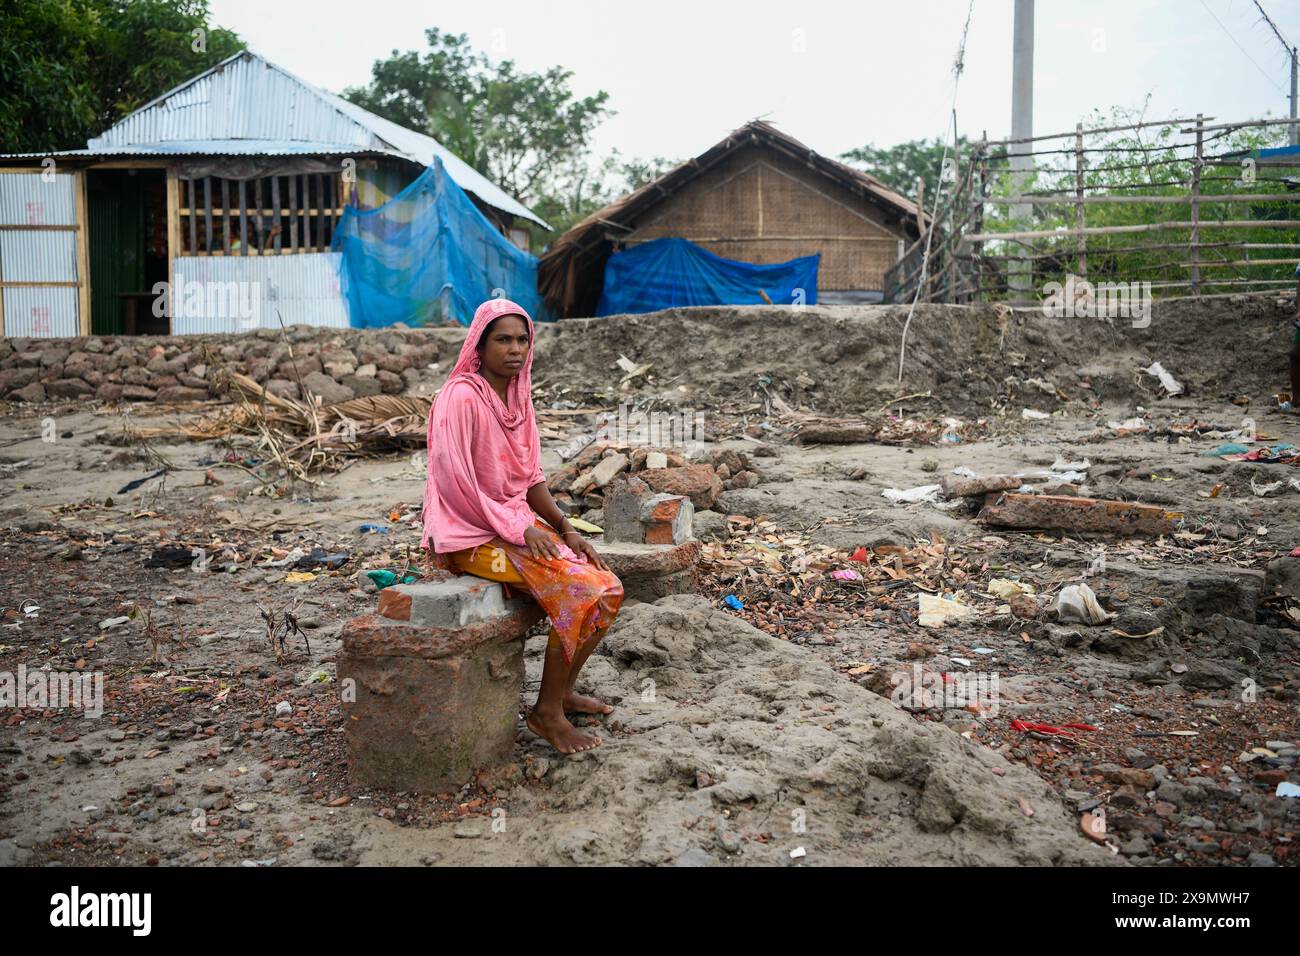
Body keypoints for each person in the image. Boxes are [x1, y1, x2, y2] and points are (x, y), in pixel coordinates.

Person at [421, 297, 624, 755]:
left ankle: (563, 691)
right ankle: (545, 715)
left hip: (514, 525)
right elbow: (456, 484)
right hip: (468, 535)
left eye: (521, 340)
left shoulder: (517, 398)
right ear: (480, 344)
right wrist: (517, 530)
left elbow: (528, 478)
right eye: (503, 340)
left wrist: (564, 527)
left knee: (608, 589)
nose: (514, 349)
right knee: (578, 590)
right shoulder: (459, 398)